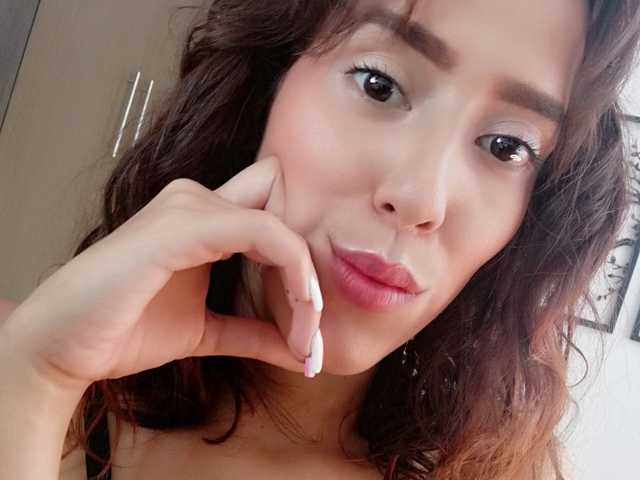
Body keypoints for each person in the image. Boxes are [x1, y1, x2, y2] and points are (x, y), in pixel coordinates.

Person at [1, 0, 640, 479]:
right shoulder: (33, 369)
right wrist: (38, 380)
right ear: (268, 80)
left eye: (506, 146)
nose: (421, 198)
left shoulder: (498, 471)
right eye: (378, 84)